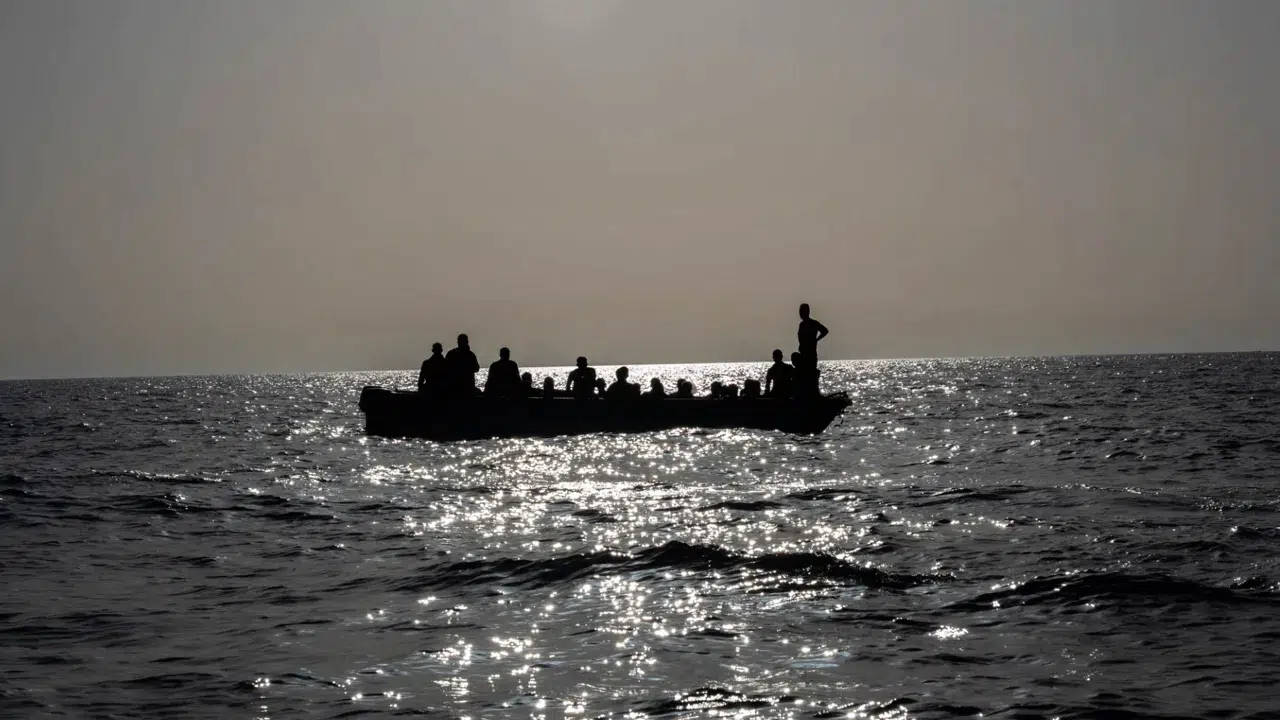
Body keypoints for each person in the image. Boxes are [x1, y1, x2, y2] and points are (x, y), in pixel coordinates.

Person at [797, 303, 829, 396]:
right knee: (804, 374)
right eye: (800, 312)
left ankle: (814, 394)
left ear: (807, 312)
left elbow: (825, 331)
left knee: (811, 373)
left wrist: (816, 339)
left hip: (811, 353)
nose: (801, 314)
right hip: (803, 353)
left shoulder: (813, 323)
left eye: (802, 312)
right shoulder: (801, 325)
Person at [445, 334, 480, 398]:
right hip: (466, 388)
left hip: (455, 388)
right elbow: (476, 368)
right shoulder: (470, 355)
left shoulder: (451, 353)